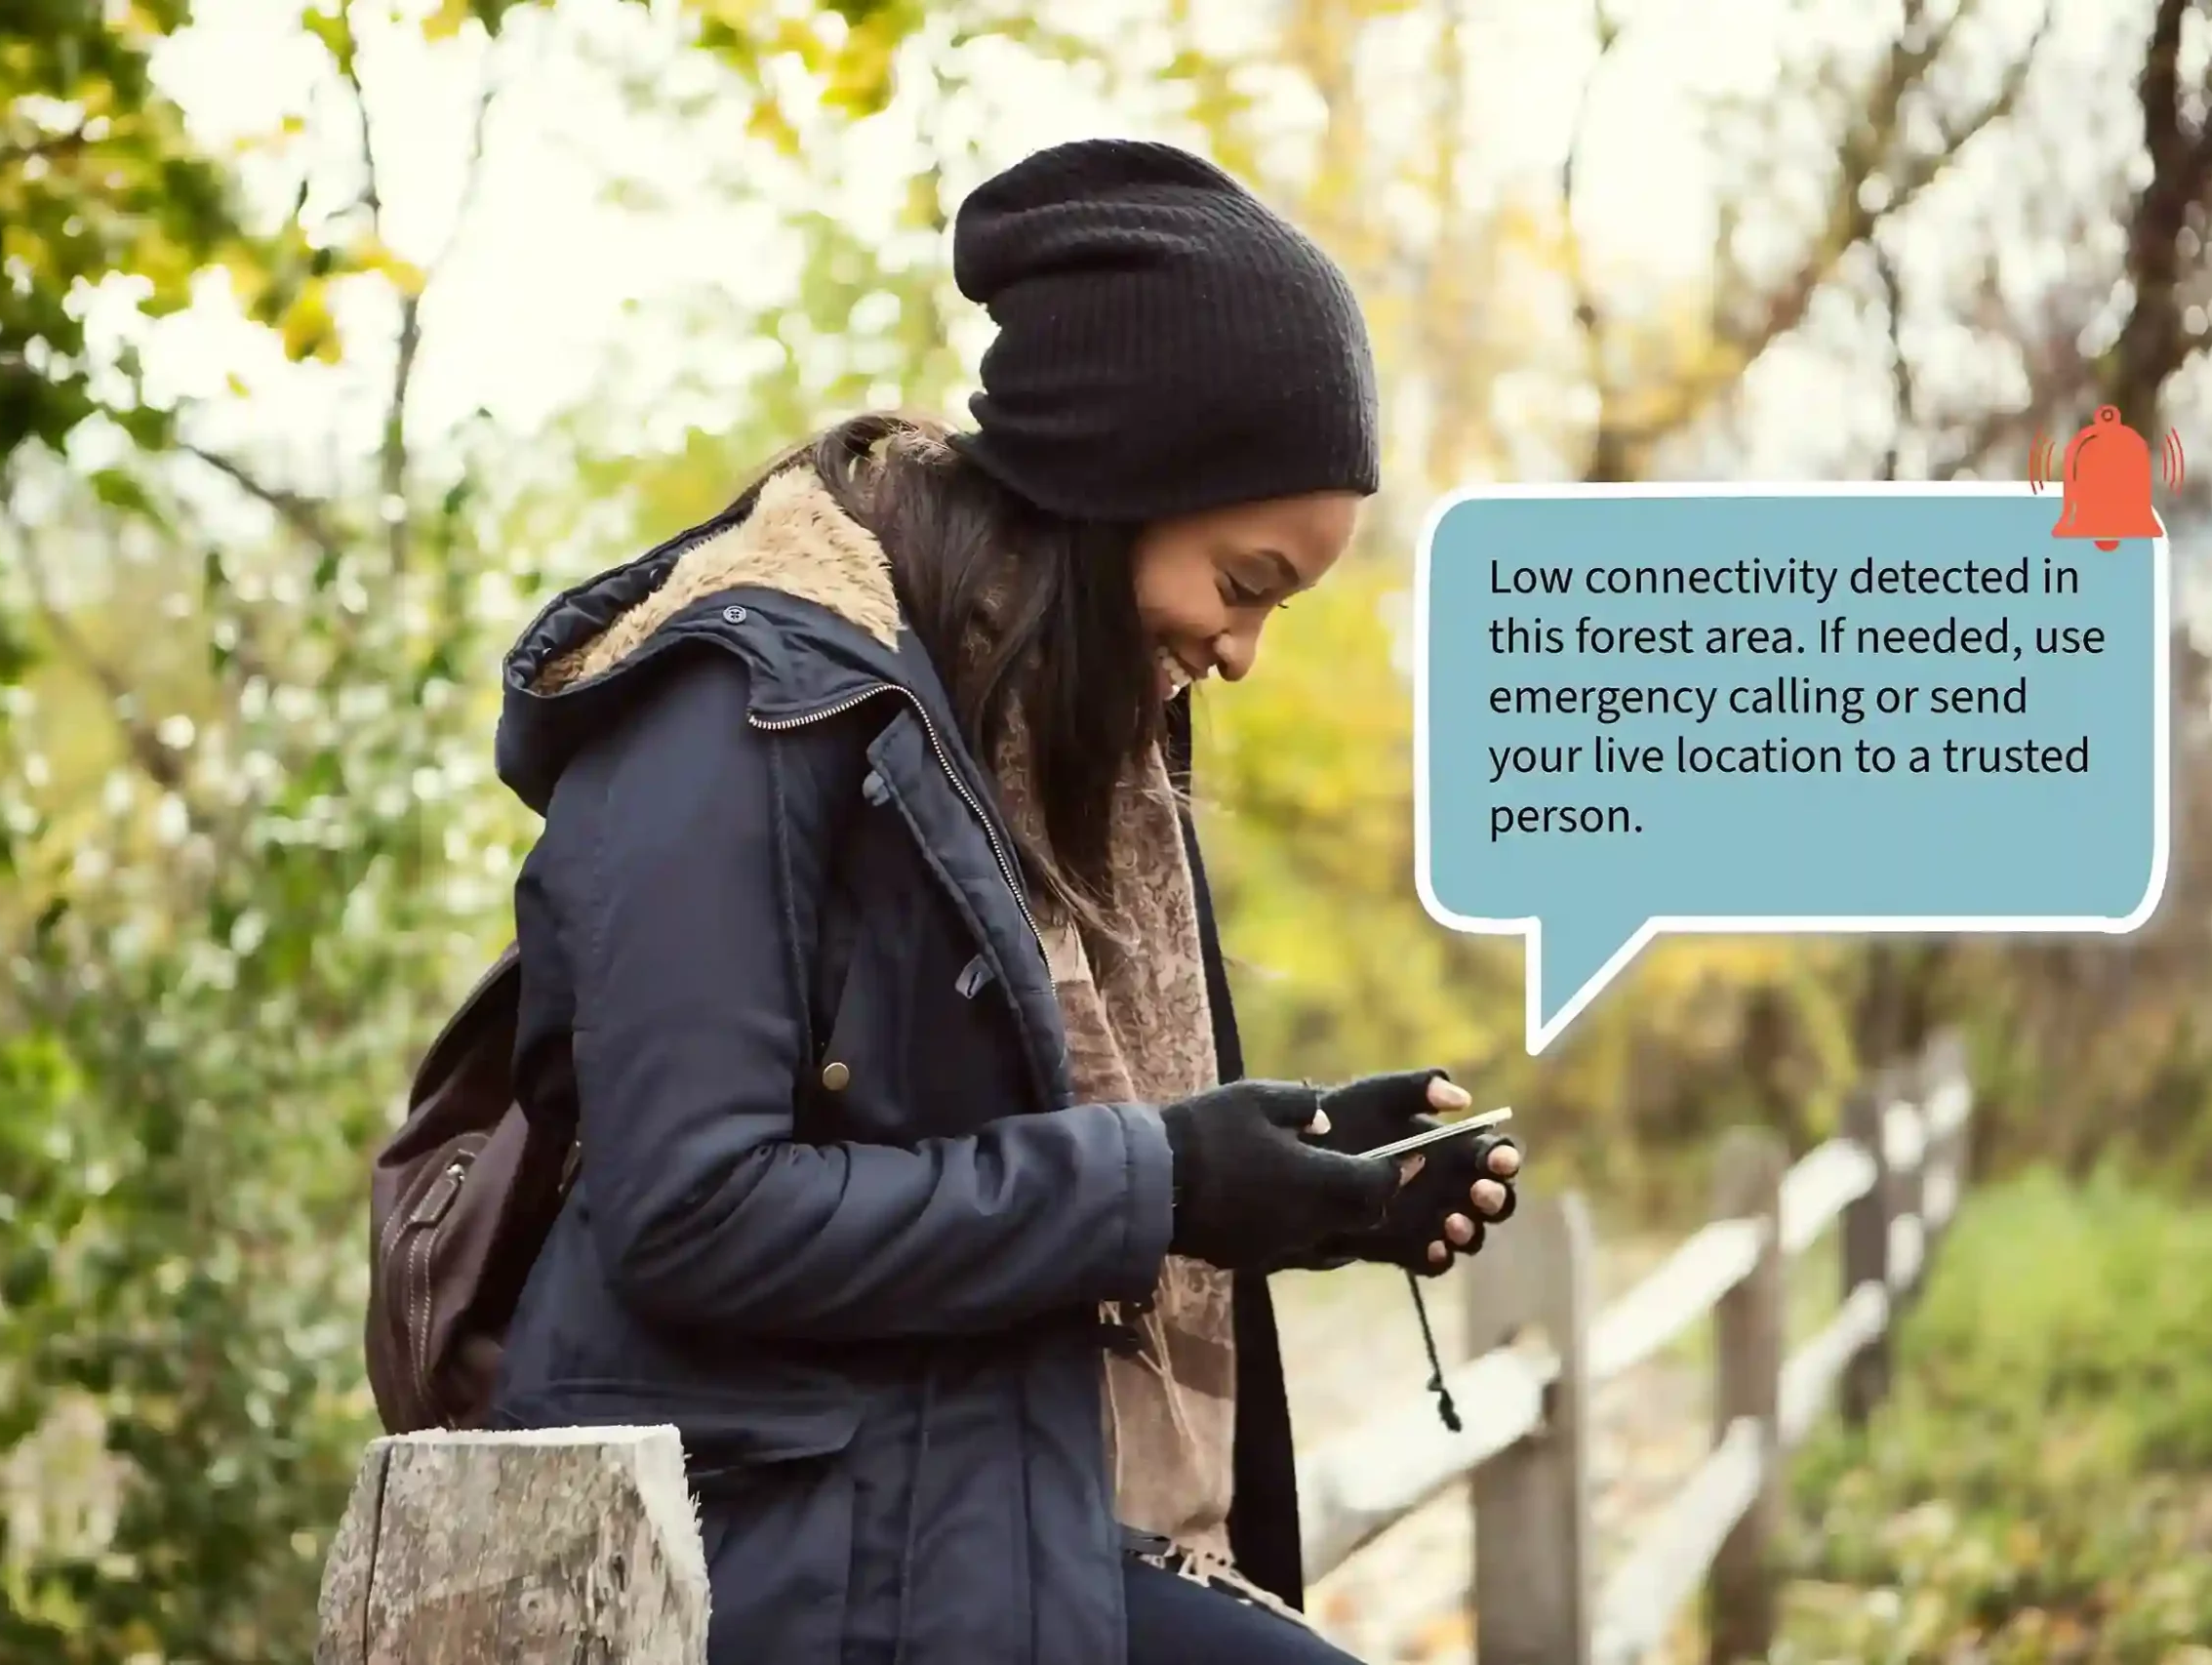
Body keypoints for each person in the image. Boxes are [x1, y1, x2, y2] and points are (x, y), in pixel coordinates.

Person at [487, 138, 1526, 1665]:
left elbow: (1024, 1157)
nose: (1244, 653)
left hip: (979, 1501)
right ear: (1122, 485)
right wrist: (1165, 1183)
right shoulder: (748, 703)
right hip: (764, 1558)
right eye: (1245, 583)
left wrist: (1297, 1193)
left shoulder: (1044, 747)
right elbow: (693, 1210)